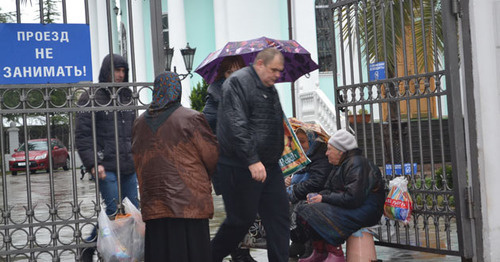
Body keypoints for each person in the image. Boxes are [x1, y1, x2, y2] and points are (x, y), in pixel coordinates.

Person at [210, 48, 290, 262]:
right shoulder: (237, 83)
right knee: (240, 221)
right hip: (239, 166)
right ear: (260, 64)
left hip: (269, 166)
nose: (277, 75)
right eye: (274, 69)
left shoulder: (270, 87)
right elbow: (236, 124)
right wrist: (252, 159)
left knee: (279, 218)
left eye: (280, 71)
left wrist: (282, 142)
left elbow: (272, 120)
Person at [131, 71, 218, 262]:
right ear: (177, 91)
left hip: (154, 203)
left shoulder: (139, 123)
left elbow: (137, 159)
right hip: (189, 202)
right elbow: (211, 156)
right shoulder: (191, 118)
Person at [75, 53, 140, 262]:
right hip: (106, 166)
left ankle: (110, 248)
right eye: (116, 70)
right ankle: (104, 250)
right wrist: (93, 163)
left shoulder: (128, 95)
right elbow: (83, 135)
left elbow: (135, 131)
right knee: (113, 214)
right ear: (107, 71)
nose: (120, 75)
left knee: (133, 213)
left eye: (123, 71)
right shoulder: (91, 97)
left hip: (129, 166)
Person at [294, 129, 385, 262]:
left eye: (329, 149)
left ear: (340, 151)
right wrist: (317, 196)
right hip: (351, 206)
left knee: (316, 211)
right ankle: (320, 251)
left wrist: (323, 198)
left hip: (366, 210)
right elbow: (329, 189)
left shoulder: (357, 164)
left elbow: (353, 199)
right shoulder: (340, 165)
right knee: (304, 207)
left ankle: (335, 253)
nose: (326, 153)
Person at [202, 56, 258, 262]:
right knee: (237, 215)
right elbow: (205, 126)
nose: (234, 76)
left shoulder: (249, 94)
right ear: (222, 75)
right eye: (229, 72)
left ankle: (239, 251)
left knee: (246, 213)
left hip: (248, 162)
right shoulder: (216, 96)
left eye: (238, 71)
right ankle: (222, 253)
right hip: (227, 165)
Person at [285, 127, 333, 259]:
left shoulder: (320, 156)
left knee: (301, 208)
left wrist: (292, 190)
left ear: (312, 141)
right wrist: (289, 181)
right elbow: (295, 174)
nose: (300, 145)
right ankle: (297, 241)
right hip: (302, 193)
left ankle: (309, 244)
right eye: (297, 141)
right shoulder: (301, 157)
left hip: (316, 195)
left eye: (303, 141)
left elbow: (316, 182)